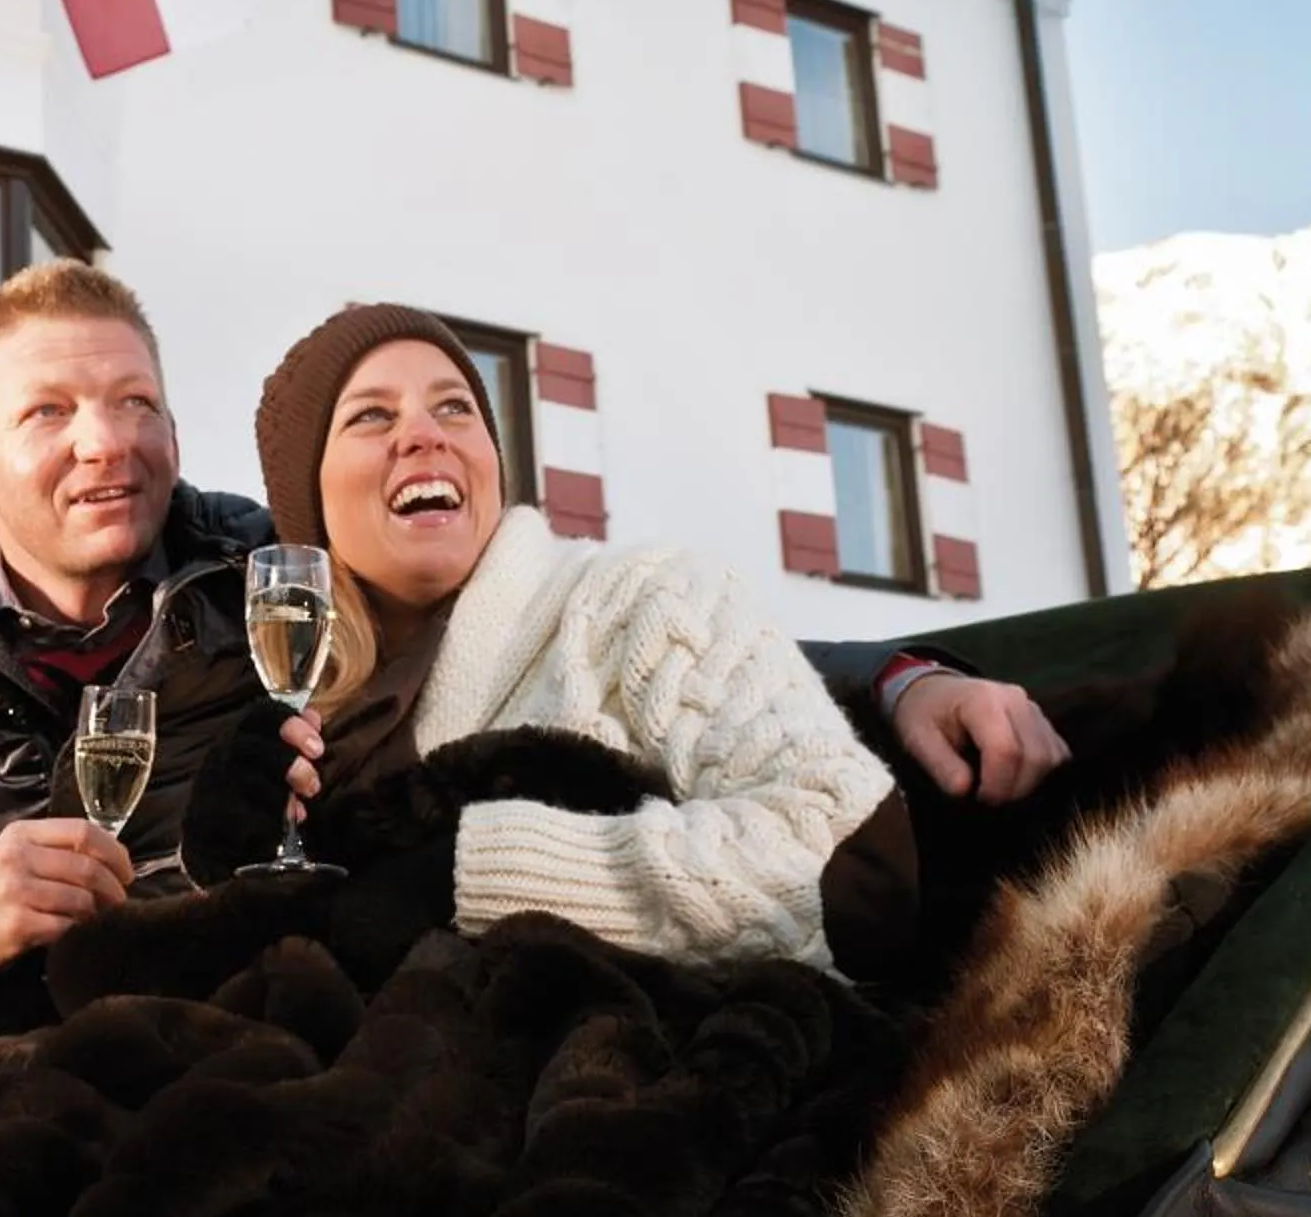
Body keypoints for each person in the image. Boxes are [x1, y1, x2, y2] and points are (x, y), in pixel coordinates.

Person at [0, 260, 1066, 1049]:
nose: (109, 442)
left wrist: (902, 672)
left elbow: (648, 635)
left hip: (177, 1046)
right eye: (54, 412)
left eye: (138, 401)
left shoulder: (256, 577)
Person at [241, 304, 916, 970]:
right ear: (310, 505)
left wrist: (473, 877)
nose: (425, 435)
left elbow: (850, 859)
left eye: (454, 407)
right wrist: (227, 873)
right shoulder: (314, 730)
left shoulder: (644, 601)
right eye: (372, 415)